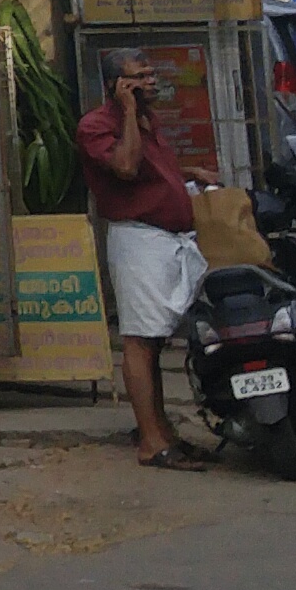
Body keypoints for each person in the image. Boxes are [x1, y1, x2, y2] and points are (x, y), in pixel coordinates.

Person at [78, 78, 205, 469]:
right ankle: (150, 441)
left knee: (156, 340)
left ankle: (162, 429)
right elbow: (127, 166)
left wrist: (188, 174)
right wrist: (129, 112)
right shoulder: (98, 125)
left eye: (151, 74)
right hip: (139, 241)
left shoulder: (150, 122)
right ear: (117, 84)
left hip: (170, 241)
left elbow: (153, 169)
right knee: (139, 340)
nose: (151, 82)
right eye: (139, 76)